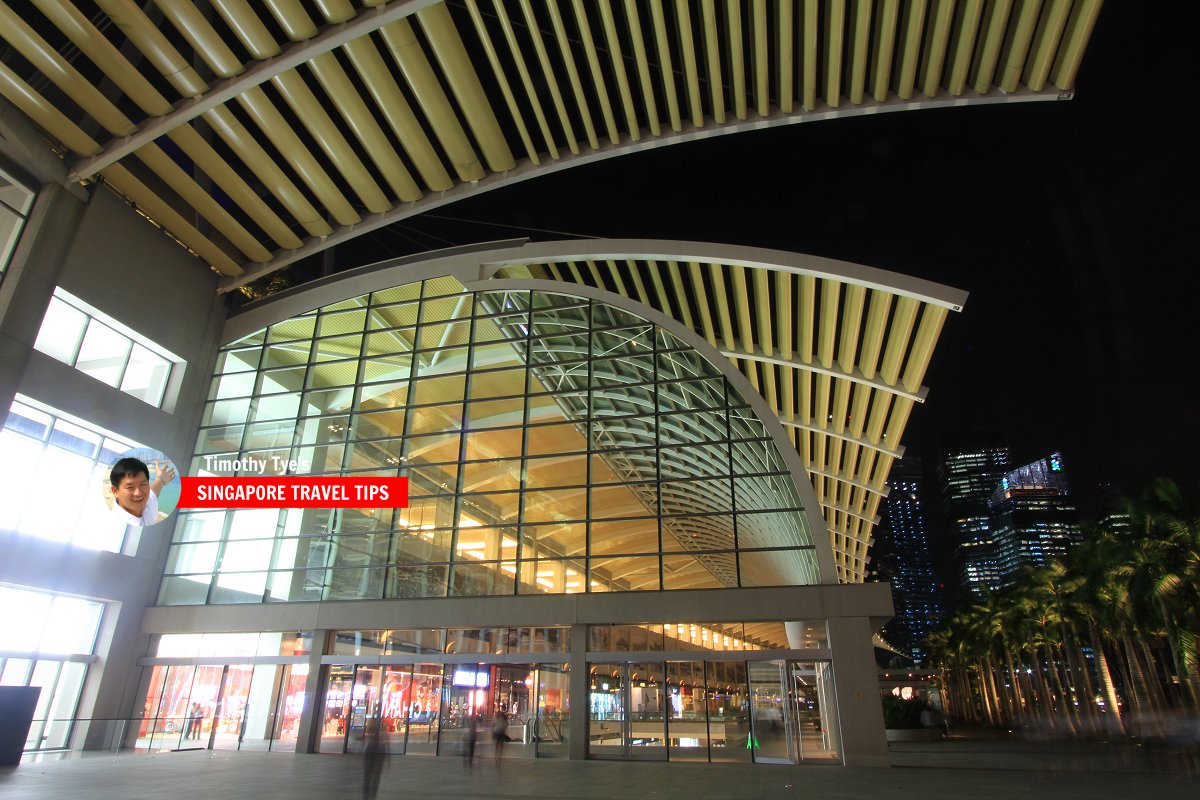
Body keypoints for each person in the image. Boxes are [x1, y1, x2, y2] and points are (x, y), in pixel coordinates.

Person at [110, 457, 175, 526]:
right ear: (115, 491)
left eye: (143, 484)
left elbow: (153, 491)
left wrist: (161, 478)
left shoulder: (147, 502)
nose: (138, 493)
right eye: (130, 487)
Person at [361, 726, 387, 800]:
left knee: (369, 777)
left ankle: (368, 794)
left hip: (372, 754)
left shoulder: (371, 729)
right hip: (375, 755)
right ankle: (371, 794)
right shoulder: (381, 731)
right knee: (374, 777)